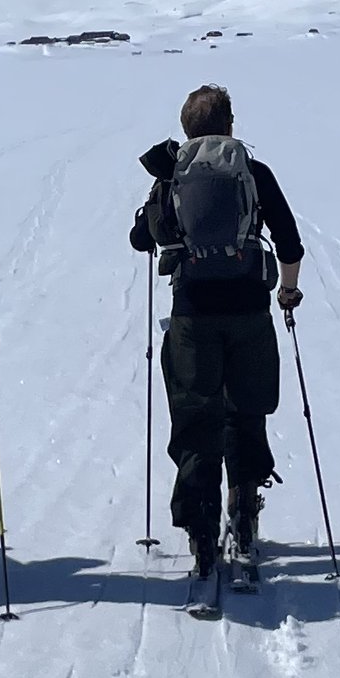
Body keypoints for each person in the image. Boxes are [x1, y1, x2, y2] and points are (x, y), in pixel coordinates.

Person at [130, 84, 305, 582]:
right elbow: (290, 243)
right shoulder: (253, 172)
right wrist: (287, 292)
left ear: (186, 129)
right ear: (230, 125)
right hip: (249, 310)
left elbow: (141, 238)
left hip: (192, 315)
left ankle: (201, 532)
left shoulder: (172, 175)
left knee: (195, 420)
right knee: (245, 412)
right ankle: (244, 514)